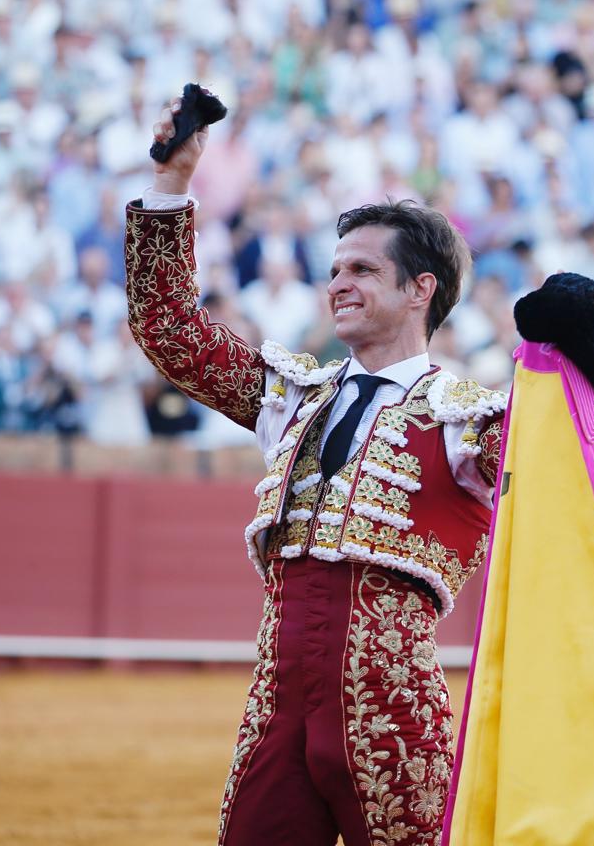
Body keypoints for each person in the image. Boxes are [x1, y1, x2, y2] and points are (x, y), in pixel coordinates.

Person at [125, 101, 507, 846]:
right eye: (334, 270)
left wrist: (585, 363)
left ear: (420, 289)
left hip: (393, 714)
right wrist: (172, 182)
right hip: (277, 705)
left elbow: (567, 452)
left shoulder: (468, 421)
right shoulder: (295, 397)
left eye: (362, 270)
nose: (338, 284)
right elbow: (169, 330)